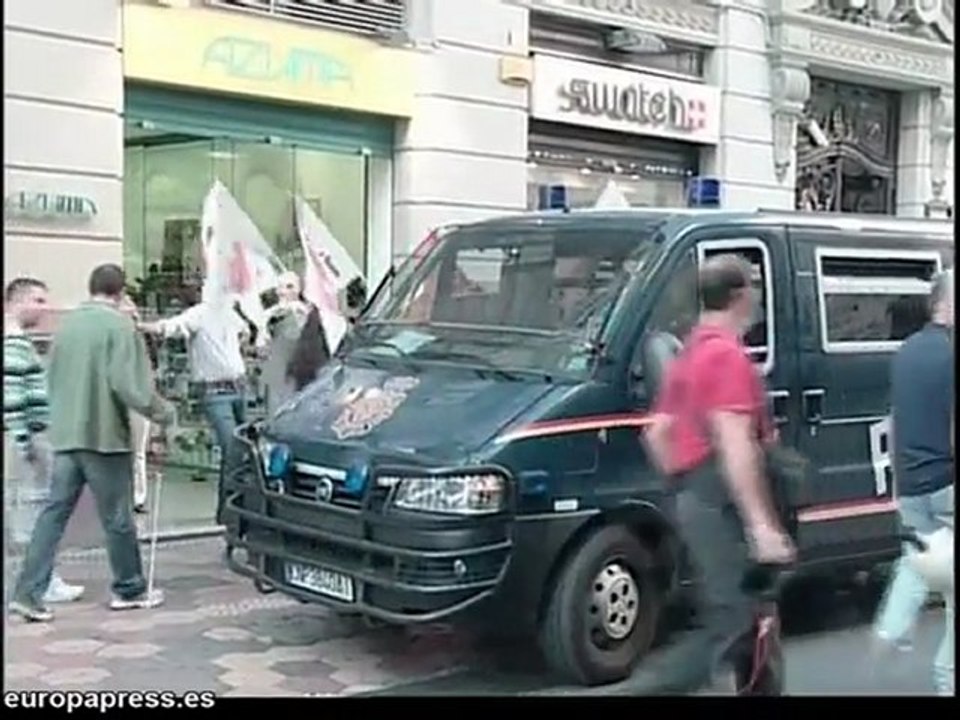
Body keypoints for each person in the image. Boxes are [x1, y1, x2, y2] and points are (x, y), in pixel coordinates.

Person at [641, 254, 795, 694]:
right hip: (723, 503)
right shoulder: (727, 358)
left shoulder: (690, 352)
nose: (758, 298)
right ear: (740, 296)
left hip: (699, 501)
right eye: (754, 288)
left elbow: (658, 435)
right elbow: (735, 445)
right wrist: (761, 525)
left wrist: (686, 486)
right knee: (735, 625)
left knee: (752, 619)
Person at [9, 264, 175, 622]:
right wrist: (163, 413)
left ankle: (27, 592)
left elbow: (50, 376)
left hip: (65, 435)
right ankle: (128, 588)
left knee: (53, 515)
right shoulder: (119, 326)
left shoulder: (67, 326)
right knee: (117, 517)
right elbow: (129, 385)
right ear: (119, 291)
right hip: (103, 436)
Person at [873, 268, 954, 696]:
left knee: (919, 561)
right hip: (946, 484)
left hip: (911, 486)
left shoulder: (905, 352)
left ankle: (890, 628)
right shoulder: (950, 353)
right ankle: (948, 678)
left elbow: (897, 421)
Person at [3, 278, 85, 604]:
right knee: (33, 512)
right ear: (17, 302)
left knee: (32, 511)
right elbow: (12, 399)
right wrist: (25, 443)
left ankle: (40, 578)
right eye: (37, 300)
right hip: (27, 441)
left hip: (28, 438)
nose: (44, 307)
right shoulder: (14, 344)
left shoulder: (17, 342)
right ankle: (41, 581)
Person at [140, 287, 251, 525]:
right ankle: (229, 515)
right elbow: (169, 327)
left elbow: (244, 332)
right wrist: (141, 326)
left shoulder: (229, 314)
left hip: (238, 387)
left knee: (245, 450)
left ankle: (240, 511)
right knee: (232, 448)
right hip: (215, 390)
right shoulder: (199, 314)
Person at [261, 272, 313, 416]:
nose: (285, 292)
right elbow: (262, 343)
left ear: (299, 289)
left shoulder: (308, 313)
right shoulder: (269, 315)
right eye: (282, 287)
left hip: (302, 372)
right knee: (276, 414)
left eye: (290, 287)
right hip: (278, 373)